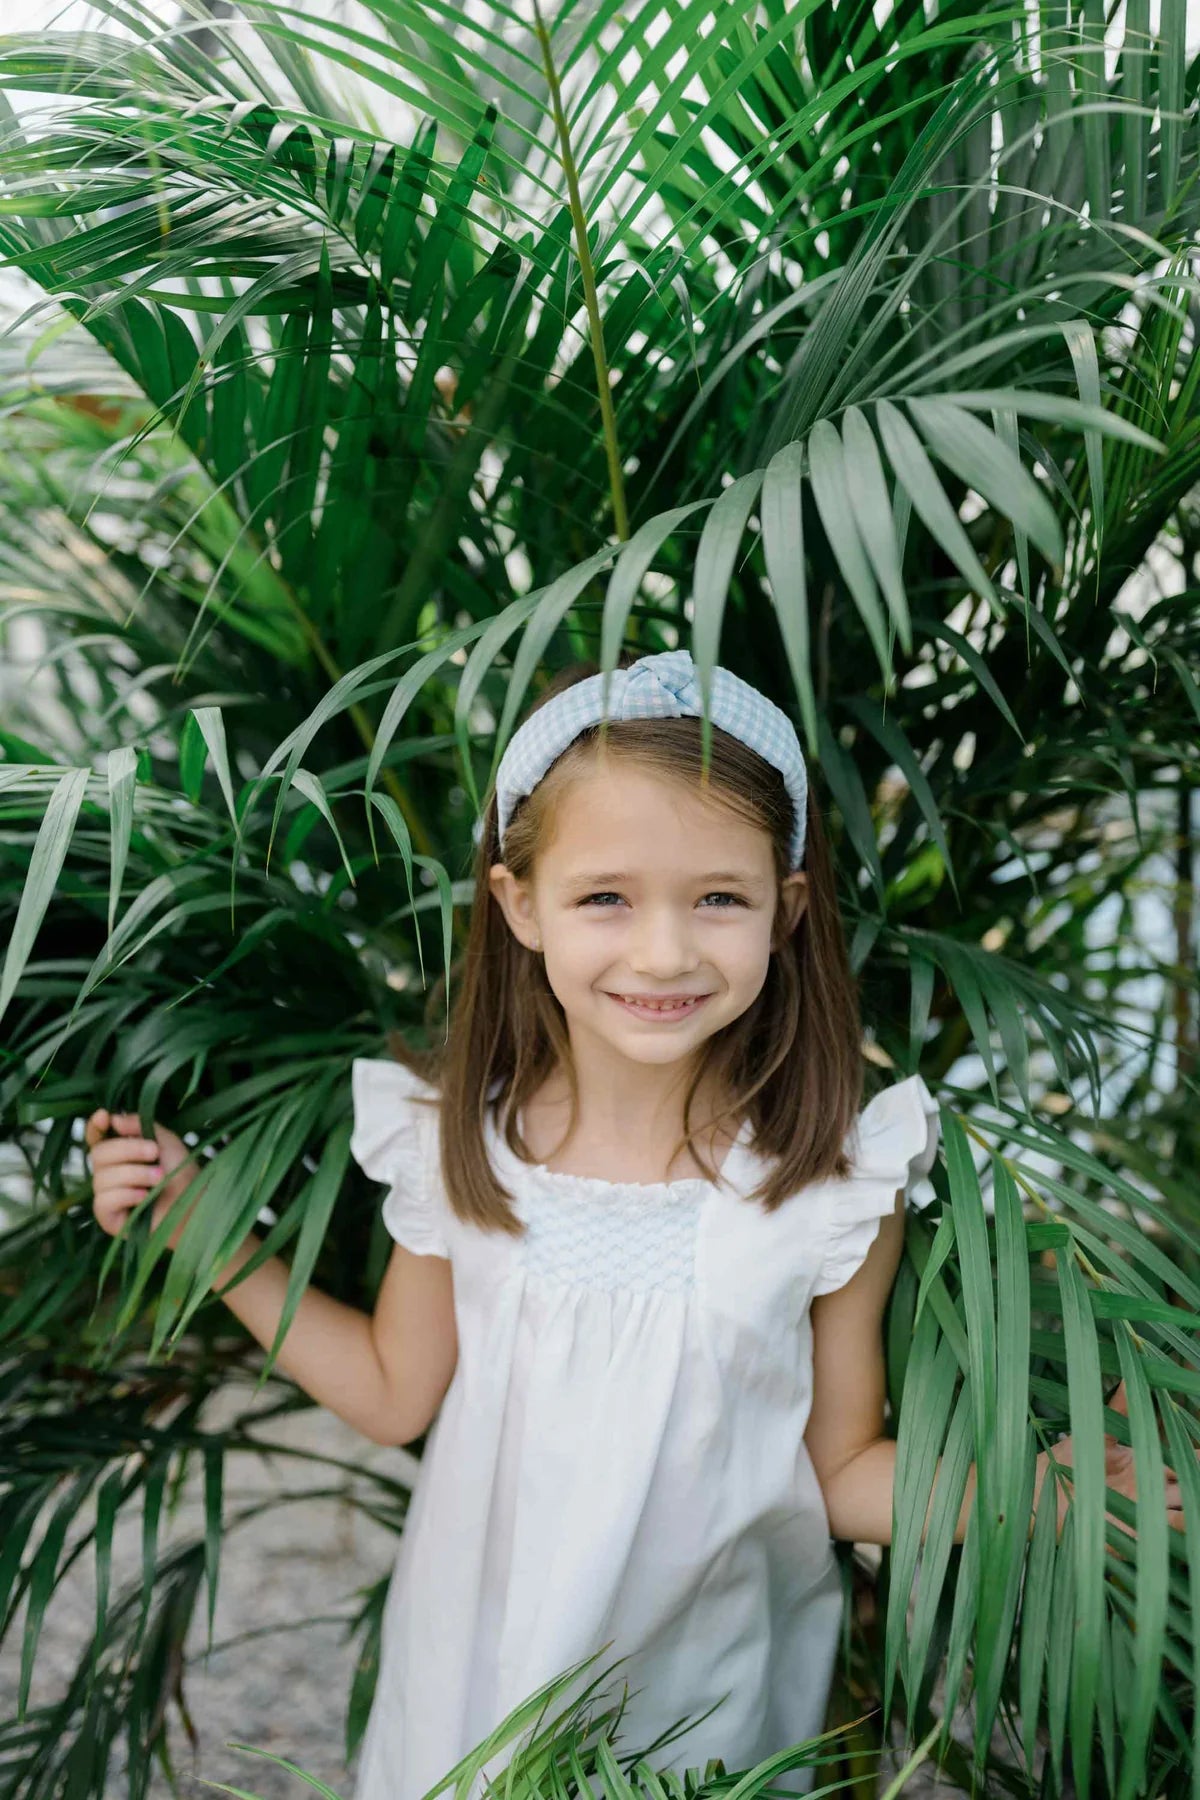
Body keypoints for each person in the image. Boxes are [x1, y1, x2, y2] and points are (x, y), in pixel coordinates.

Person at [86, 648, 1181, 1800]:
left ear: (785, 908)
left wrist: (1043, 1491)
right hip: (479, 1679)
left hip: (705, 1700)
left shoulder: (829, 1180)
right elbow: (392, 1390)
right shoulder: (460, 1144)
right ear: (519, 905)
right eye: (605, 896)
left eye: (719, 897)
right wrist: (204, 1232)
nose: (664, 951)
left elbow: (842, 1468)